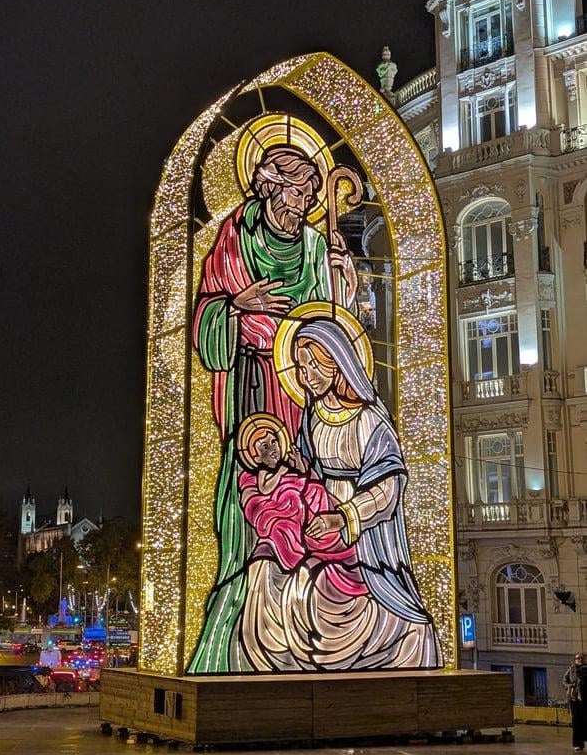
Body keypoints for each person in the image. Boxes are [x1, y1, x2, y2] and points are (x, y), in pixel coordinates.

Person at [188, 144, 357, 673]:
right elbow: (204, 316)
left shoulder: (314, 244)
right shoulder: (234, 237)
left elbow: (334, 321)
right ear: (267, 186)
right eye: (295, 192)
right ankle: (241, 599)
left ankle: (304, 614)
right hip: (249, 382)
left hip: (300, 384)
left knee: (305, 481)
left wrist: (344, 280)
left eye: (309, 194)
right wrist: (237, 306)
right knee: (246, 491)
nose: (302, 204)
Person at [285, 317, 441, 669]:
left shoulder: (370, 420)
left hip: (364, 531)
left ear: (336, 361)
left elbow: (387, 488)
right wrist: (301, 469)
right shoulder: (312, 417)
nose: (306, 376)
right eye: (301, 367)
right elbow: (313, 470)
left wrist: (343, 517)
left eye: (313, 364)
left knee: (356, 600)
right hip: (321, 523)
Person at [235, 411, 358, 671]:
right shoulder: (249, 479)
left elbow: (314, 494)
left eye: (274, 442)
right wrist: (284, 490)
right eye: (264, 446)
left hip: (305, 534)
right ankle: (268, 645)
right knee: (262, 572)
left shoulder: (295, 472)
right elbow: (258, 508)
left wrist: (303, 475)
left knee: (308, 574)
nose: (272, 449)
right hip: (278, 538)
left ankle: (305, 641)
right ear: (253, 455)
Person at [563, 652, 587, 750]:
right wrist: (570, 686)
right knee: (576, 721)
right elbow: (564, 682)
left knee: (585, 720)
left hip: (585, 699)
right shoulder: (571, 669)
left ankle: (584, 740)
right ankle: (577, 744)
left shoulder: (586, 669)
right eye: (578, 658)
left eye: (581, 658)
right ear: (575, 660)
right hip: (574, 699)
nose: (580, 660)